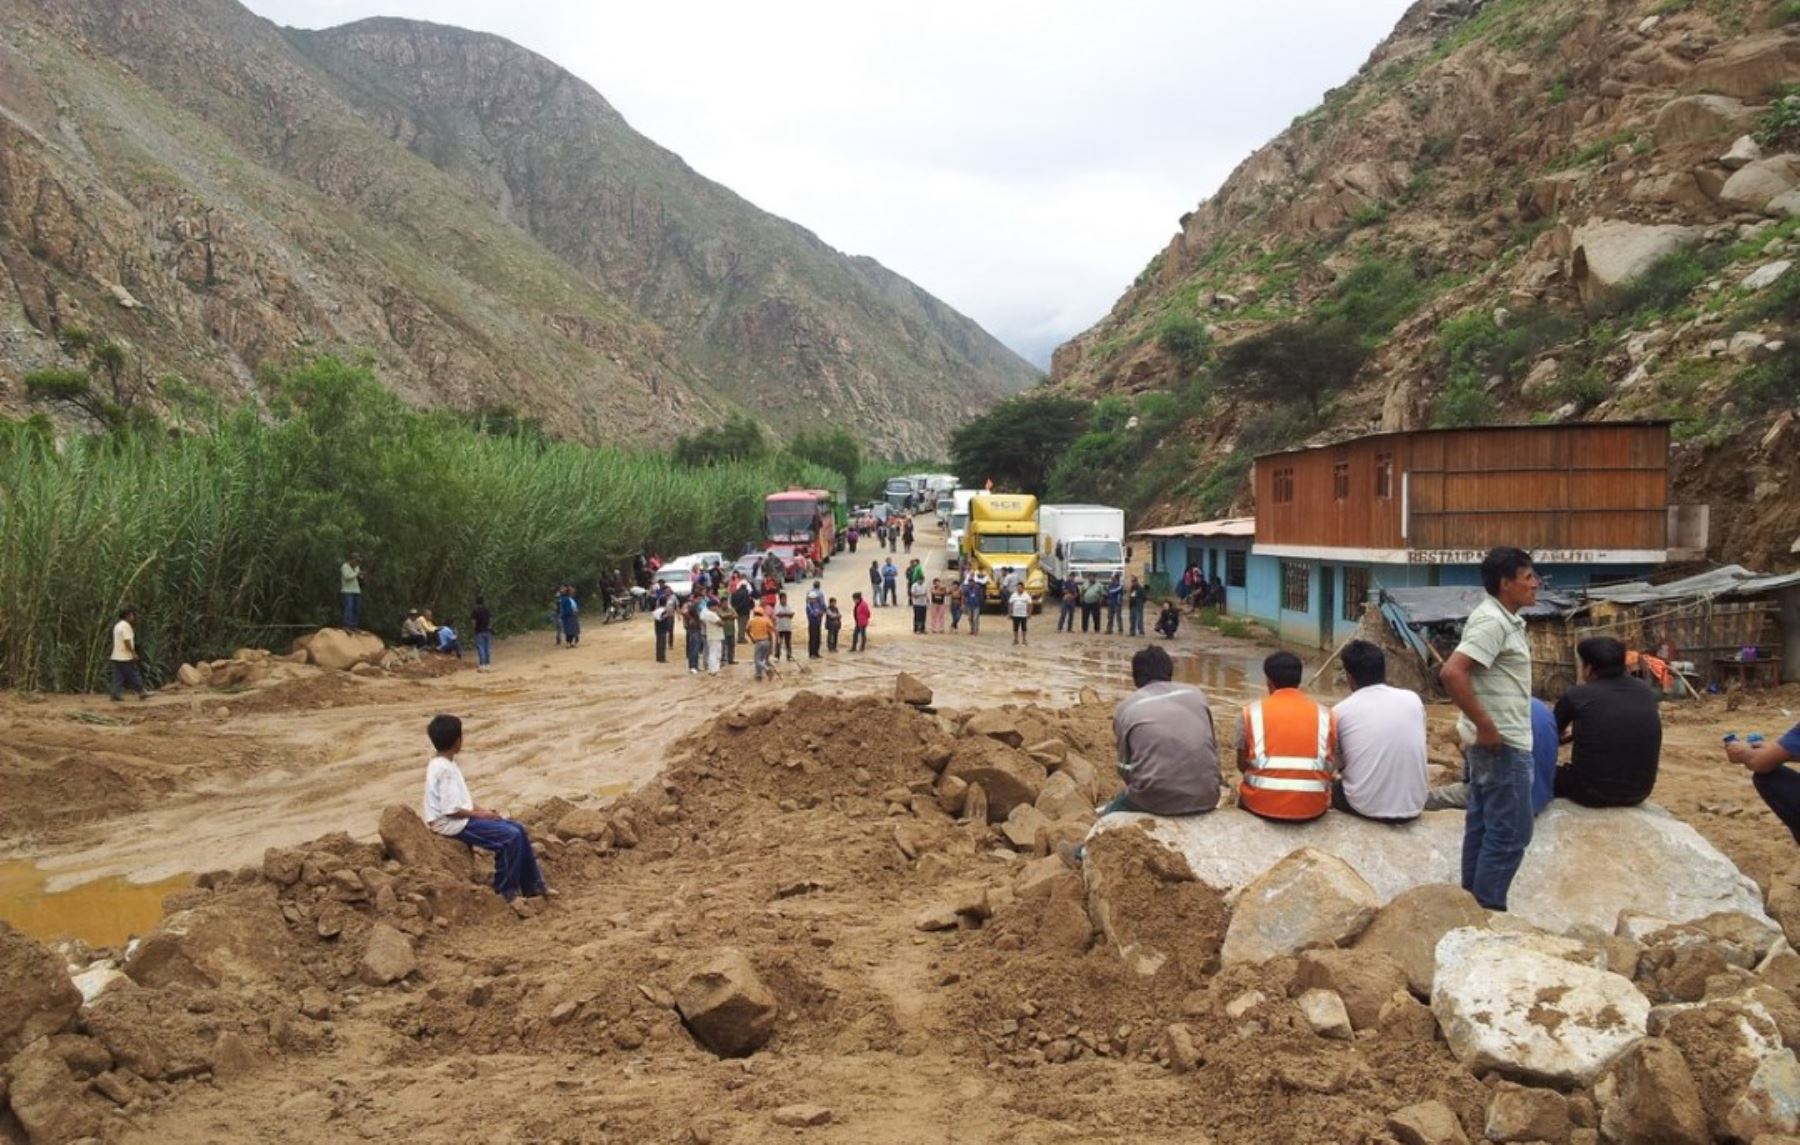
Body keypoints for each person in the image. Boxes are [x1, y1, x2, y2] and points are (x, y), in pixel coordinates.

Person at [1440, 546, 1538, 912]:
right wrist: (1486, 726)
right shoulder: (1492, 621)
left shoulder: (1503, 619)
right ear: (1505, 583)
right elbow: (1452, 672)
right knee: (1511, 833)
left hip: (1498, 743)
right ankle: (1488, 910)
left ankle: (1472, 905)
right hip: (1502, 745)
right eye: (1527, 577)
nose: (1535, 585)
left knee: (1484, 826)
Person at [421, 714, 550, 906]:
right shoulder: (445, 770)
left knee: (519, 829)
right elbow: (451, 810)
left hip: (458, 818)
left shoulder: (443, 762)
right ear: (457, 740)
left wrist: (486, 812)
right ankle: (506, 891)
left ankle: (534, 885)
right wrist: (481, 815)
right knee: (510, 837)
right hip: (450, 823)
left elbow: (462, 801)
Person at [1105, 645, 1221, 816]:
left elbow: (1124, 767)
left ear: (1135, 677)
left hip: (1155, 801)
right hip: (1208, 796)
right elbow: (1213, 748)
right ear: (1169, 671)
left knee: (1111, 813)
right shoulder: (1197, 694)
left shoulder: (1126, 708)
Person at [1552, 636, 1661, 807]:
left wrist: (1564, 738)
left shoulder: (1577, 695)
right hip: (1640, 792)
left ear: (1588, 668)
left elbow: (1550, 735)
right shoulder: (1644, 691)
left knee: (1535, 772)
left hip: (1591, 792)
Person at [1330, 641, 1426, 823]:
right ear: (1383, 670)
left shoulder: (1340, 711)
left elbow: (1335, 761)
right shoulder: (1413, 699)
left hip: (1366, 807)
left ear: (1349, 677)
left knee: (1332, 785)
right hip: (1414, 805)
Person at [1237, 651, 1337, 822]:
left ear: (1268, 681)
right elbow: (1332, 763)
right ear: (1299, 681)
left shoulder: (1250, 713)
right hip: (1313, 807)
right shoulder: (1327, 715)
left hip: (1259, 805)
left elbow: (1241, 764)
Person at [108, 605, 149, 701]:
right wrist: (133, 653)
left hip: (116, 655)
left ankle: (115, 693)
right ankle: (141, 691)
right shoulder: (126, 626)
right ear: (128, 615)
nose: (133, 617)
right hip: (124, 656)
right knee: (133, 674)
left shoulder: (117, 625)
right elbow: (127, 641)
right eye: (132, 615)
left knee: (118, 676)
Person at [746, 603, 776, 681]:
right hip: (767, 641)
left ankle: (767, 669)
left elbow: (747, 630)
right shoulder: (766, 620)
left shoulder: (751, 620)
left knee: (757, 660)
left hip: (759, 642)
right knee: (762, 659)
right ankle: (758, 674)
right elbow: (772, 630)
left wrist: (751, 638)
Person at [701, 595, 724, 676]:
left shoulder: (708, 613)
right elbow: (720, 623)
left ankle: (712, 669)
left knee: (712, 652)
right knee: (716, 653)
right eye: (716, 606)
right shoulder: (711, 614)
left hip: (712, 635)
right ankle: (714, 670)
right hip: (715, 635)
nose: (717, 607)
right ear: (712, 607)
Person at [340, 554, 364, 631]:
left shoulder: (357, 567)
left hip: (356, 590)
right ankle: (347, 625)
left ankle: (354, 626)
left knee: (356, 608)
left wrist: (361, 577)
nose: (357, 563)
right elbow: (347, 577)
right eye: (356, 561)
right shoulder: (345, 566)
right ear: (351, 560)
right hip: (347, 591)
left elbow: (356, 577)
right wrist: (357, 573)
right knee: (349, 608)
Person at [682, 597, 705, 674]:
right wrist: (691, 619)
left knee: (696, 648)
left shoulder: (696, 606)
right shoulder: (692, 606)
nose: (700, 600)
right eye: (699, 599)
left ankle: (695, 666)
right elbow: (684, 612)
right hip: (693, 629)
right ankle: (693, 666)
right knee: (694, 648)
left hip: (696, 629)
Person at [471, 596, 493, 671]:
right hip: (487, 630)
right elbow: (490, 620)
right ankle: (488, 665)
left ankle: (482, 664)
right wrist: (489, 628)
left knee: (481, 648)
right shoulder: (487, 610)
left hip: (479, 631)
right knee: (487, 648)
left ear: (476, 602)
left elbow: (473, 622)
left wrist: (474, 629)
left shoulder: (475, 610)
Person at [805, 583, 826, 659]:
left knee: (817, 638)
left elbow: (820, 611)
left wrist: (820, 612)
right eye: (813, 598)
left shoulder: (815, 605)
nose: (814, 600)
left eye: (815, 598)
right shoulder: (809, 606)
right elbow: (814, 614)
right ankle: (812, 653)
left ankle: (816, 652)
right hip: (812, 623)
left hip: (817, 622)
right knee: (813, 638)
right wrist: (820, 612)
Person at [774, 593, 796, 660]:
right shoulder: (777, 606)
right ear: (780, 599)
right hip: (780, 628)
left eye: (785, 598)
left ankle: (789, 655)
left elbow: (792, 614)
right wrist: (787, 614)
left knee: (788, 642)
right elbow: (778, 614)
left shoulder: (789, 606)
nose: (784, 600)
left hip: (788, 627)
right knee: (778, 642)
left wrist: (784, 614)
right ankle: (777, 656)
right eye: (783, 598)